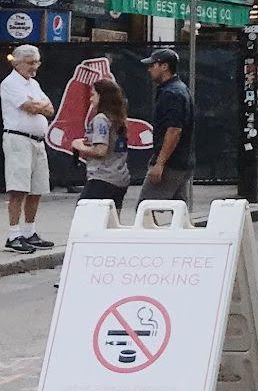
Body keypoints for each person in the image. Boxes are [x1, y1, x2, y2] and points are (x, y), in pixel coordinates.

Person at [2, 44, 55, 254]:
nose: (34, 67)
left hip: (37, 140)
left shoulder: (34, 84)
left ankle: (29, 231)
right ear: (17, 63)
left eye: (37, 62)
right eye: (30, 62)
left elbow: (49, 108)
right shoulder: (10, 83)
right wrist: (39, 106)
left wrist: (39, 106)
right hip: (18, 139)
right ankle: (13, 234)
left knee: (37, 188)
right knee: (18, 187)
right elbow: (30, 107)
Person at [138, 48, 194, 207]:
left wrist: (160, 163)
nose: (149, 69)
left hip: (172, 162)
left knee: (146, 209)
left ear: (164, 67)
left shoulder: (172, 93)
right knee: (179, 210)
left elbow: (174, 130)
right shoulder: (179, 89)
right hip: (180, 160)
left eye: (152, 65)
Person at [69, 76, 132, 213]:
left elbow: (100, 150)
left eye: (93, 95)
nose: (90, 99)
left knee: (84, 213)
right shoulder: (119, 119)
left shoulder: (101, 119)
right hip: (120, 177)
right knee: (111, 219)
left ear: (102, 96)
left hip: (102, 177)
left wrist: (78, 145)